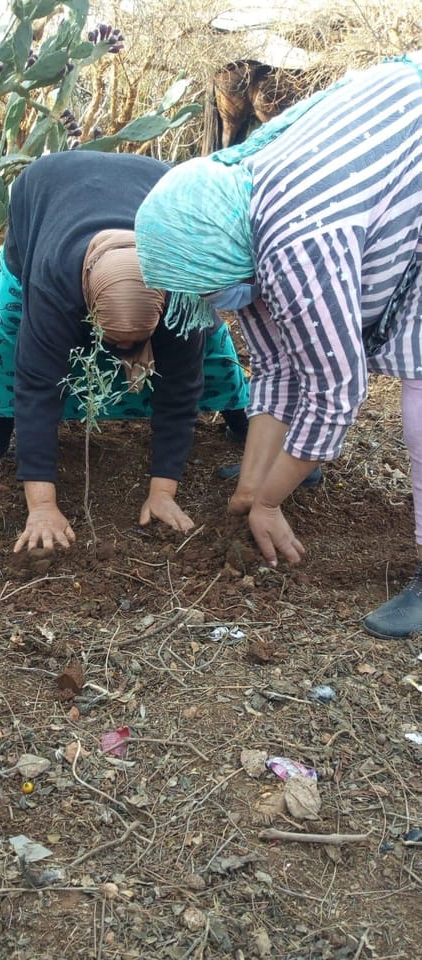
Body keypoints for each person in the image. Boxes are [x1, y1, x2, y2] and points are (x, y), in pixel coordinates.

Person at [134, 54, 422, 641]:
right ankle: (286, 469)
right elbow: (273, 364)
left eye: (205, 286)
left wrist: (268, 504)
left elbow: (336, 390)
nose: (213, 302)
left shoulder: (295, 244)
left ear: (216, 254)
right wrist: (250, 485)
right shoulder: (236, 214)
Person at [0, 150, 250, 551]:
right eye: (113, 341)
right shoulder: (52, 282)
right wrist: (41, 506)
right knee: (9, 329)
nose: (123, 353)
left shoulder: (181, 286)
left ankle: (242, 419)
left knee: (210, 342)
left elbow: (179, 392)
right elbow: (37, 387)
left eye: (136, 341)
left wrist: (163, 492)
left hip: (154, 189)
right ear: (88, 310)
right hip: (48, 191)